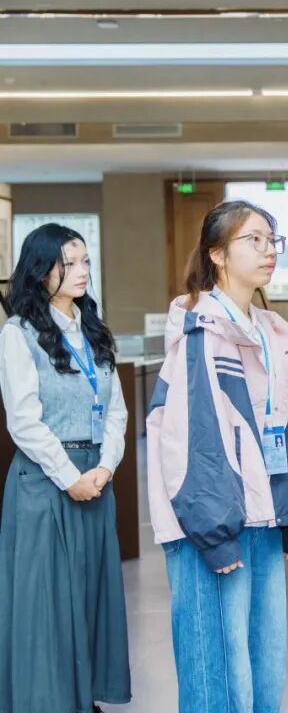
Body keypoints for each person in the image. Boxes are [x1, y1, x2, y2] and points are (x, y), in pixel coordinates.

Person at [146, 200, 288, 713]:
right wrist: (213, 533)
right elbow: (191, 440)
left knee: (264, 666)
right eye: (254, 240)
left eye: (272, 240)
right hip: (211, 522)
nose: (269, 251)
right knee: (218, 675)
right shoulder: (200, 329)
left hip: (260, 515)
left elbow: (284, 426)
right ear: (217, 254)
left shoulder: (268, 330)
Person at [0, 224, 131, 713]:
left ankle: (84, 698)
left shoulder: (93, 328)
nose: (81, 272)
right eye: (68, 263)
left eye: (85, 262)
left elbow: (116, 410)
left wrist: (106, 467)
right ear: (40, 270)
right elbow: (23, 421)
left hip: (95, 478)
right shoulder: (18, 334)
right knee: (47, 602)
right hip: (45, 481)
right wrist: (70, 477)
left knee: (91, 593)